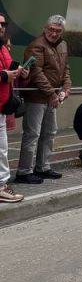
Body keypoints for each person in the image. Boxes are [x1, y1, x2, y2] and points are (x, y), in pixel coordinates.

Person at [16, 15, 72, 185]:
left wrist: (66, 87)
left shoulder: (63, 44)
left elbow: (66, 69)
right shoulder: (37, 45)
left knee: (49, 132)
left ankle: (43, 167)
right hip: (36, 97)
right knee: (32, 134)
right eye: (51, 29)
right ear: (44, 28)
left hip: (52, 97)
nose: (54, 33)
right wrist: (52, 94)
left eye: (58, 31)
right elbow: (37, 74)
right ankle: (24, 171)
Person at [0, 13, 27, 202]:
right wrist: (4, 76)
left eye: (4, 24)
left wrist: (20, 71)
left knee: (2, 148)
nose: (1, 27)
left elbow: (9, 65)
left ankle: (1, 185)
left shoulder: (2, 47)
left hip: (2, 106)